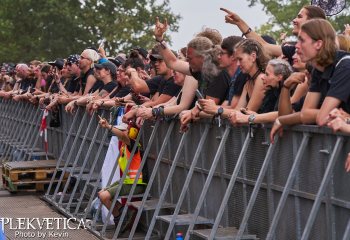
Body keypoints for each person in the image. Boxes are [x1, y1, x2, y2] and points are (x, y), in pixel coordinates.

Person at [270, 19, 350, 143]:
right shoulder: (318, 69)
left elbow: (322, 118)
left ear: (318, 44)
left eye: (301, 40)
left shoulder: (345, 65)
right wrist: (281, 120)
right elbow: (304, 113)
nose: (296, 46)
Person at [220, 5, 325, 63]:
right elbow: (264, 46)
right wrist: (239, 22)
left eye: (299, 17)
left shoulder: (328, 55)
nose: (294, 20)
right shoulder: (293, 49)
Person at [97, 117, 146, 231]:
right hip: (128, 182)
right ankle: (123, 212)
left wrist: (109, 126)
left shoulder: (132, 143)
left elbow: (123, 136)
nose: (119, 135)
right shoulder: (125, 146)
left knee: (105, 196)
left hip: (136, 184)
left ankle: (119, 218)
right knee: (101, 194)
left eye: (122, 131)